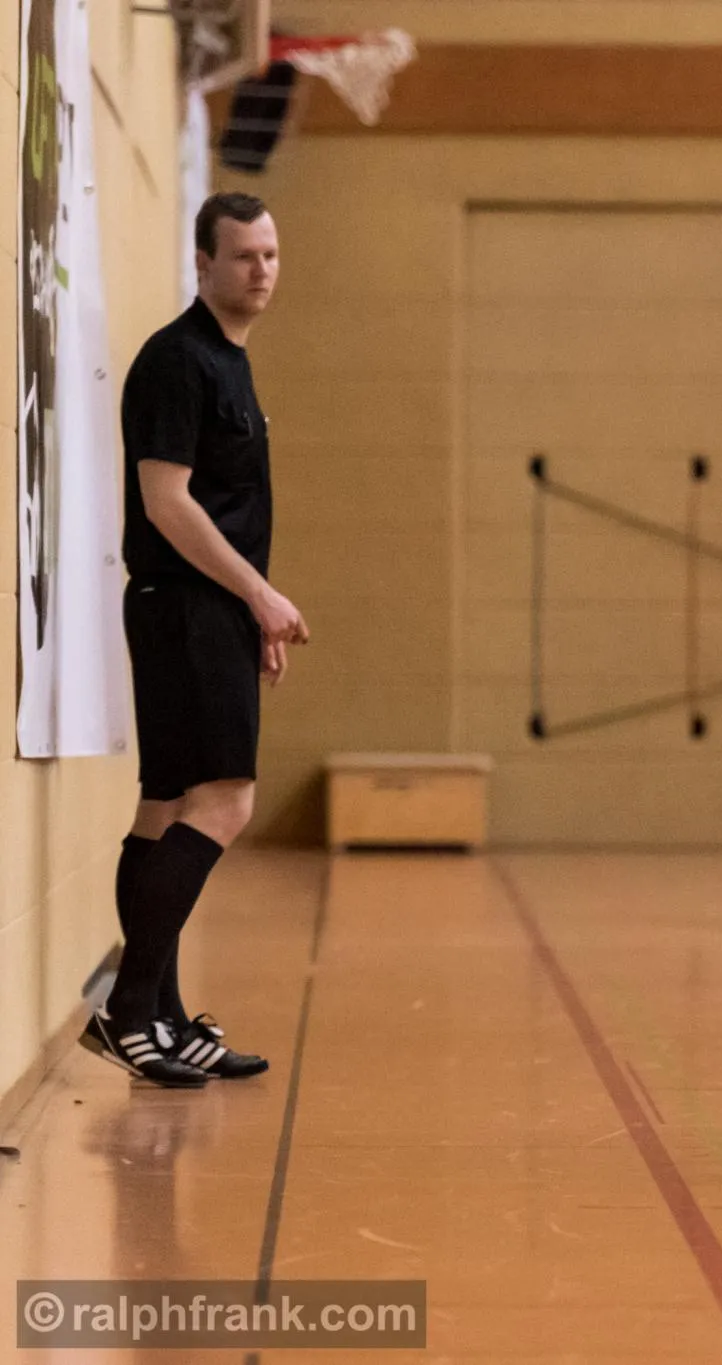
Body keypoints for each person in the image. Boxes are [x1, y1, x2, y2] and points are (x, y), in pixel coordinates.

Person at [80, 192, 309, 1087]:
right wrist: (257, 594)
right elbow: (166, 502)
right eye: (244, 256)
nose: (261, 270)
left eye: (270, 254)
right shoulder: (179, 360)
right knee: (225, 803)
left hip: (204, 608)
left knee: (166, 808)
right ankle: (127, 1010)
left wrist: (252, 608)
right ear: (203, 263)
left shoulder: (228, 361)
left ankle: (162, 1019)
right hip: (186, 606)